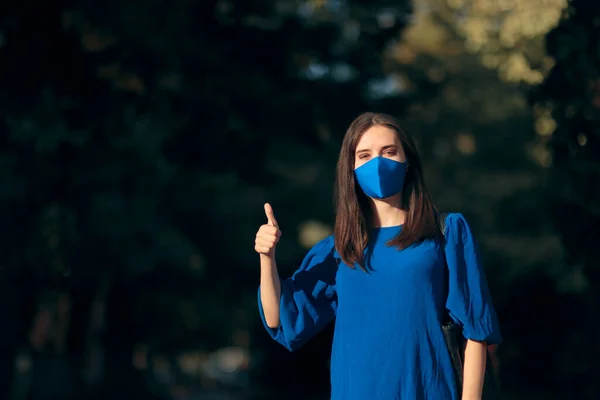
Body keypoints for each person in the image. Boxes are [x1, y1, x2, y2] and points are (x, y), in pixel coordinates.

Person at [255, 112, 502, 400]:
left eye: (389, 151)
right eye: (364, 155)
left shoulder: (446, 233)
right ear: (351, 169)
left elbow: (476, 330)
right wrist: (266, 256)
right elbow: (280, 319)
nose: (378, 163)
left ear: (407, 161)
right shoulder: (339, 249)